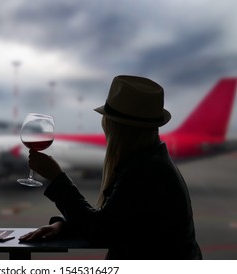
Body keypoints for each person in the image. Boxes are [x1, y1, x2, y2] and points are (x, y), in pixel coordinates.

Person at [19, 75, 203, 260]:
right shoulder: (150, 161)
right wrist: (66, 226)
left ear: (114, 126)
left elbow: (100, 231)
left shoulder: (143, 170)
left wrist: (57, 178)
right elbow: (117, 222)